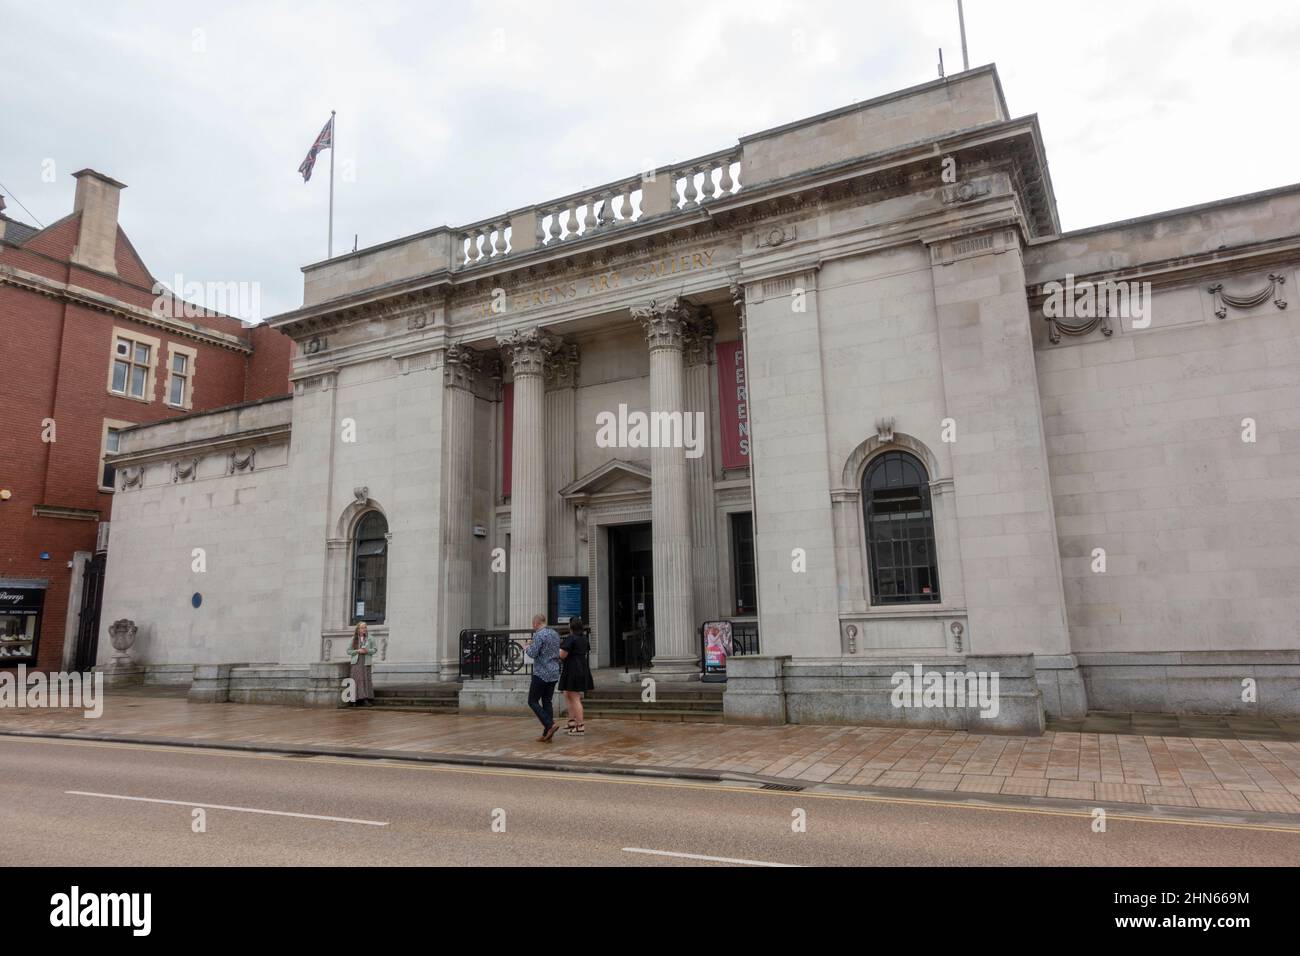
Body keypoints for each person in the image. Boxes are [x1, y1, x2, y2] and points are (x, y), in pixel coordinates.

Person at [525, 614, 561, 742]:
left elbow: (533, 653)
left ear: (536, 623)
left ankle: (550, 724)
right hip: (554, 671)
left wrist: (527, 647)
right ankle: (548, 733)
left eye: (532, 624)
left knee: (532, 701)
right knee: (547, 701)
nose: (532, 626)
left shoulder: (539, 635)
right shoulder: (555, 634)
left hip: (541, 672)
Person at [558, 615, 595, 735]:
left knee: (574, 697)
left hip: (572, 668)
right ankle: (572, 722)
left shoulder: (571, 638)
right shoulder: (584, 638)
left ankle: (580, 726)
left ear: (571, 626)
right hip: (581, 667)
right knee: (567, 693)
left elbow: (562, 655)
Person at [348, 621, 377, 706]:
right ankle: (354, 700)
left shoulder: (370, 638)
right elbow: (348, 651)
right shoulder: (353, 639)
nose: (364, 629)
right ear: (358, 629)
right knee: (356, 680)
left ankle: (365, 699)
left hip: (366, 661)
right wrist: (357, 651)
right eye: (362, 627)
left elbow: (375, 650)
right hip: (356, 662)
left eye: (365, 627)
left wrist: (367, 651)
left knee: (365, 680)